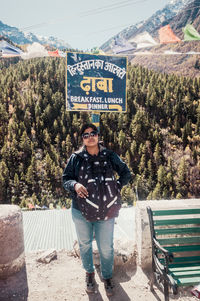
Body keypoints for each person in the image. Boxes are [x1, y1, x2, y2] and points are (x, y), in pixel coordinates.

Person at [62, 123, 131, 296]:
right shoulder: (76, 158)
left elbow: (126, 173)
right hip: (80, 210)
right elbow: (65, 179)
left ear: (98, 136)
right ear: (82, 139)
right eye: (86, 135)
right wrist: (75, 185)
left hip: (106, 211)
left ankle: (107, 277)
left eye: (93, 133)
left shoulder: (109, 156)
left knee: (106, 247)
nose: (90, 136)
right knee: (85, 245)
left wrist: (116, 186)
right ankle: (90, 274)